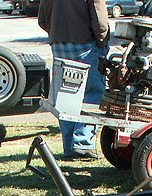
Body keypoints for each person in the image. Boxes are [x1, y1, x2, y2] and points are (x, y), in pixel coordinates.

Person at [38, 0, 110, 159]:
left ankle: (70, 146)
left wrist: (55, 34)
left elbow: (42, 19)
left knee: (66, 95)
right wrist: (102, 40)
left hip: (58, 43)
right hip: (85, 44)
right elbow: (100, 20)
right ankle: (83, 142)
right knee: (93, 92)